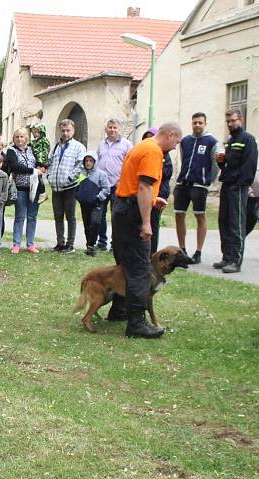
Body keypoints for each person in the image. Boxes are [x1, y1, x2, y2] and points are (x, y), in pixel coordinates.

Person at [109, 122, 181, 339]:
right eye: (176, 142)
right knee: (141, 267)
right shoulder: (153, 152)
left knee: (126, 263)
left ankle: (119, 310)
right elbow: (143, 187)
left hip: (122, 207)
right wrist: (147, 222)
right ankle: (136, 323)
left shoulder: (142, 147)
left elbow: (135, 184)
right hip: (132, 213)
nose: (175, 147)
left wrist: (152, 198)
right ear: (169, 135)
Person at [213, 109, 258, 274]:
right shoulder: (231, 141)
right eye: (228, 122)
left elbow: (249, 165)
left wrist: (240, 184)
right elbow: (228, 166)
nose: (230, 124)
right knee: (223, 222)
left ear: (241, 119)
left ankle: (235, 261)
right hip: (226, 184)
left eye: (233, 120)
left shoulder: (248, 139)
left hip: (238, 187)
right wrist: (221, 162)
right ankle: (226, 257)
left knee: (236, 224)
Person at [174, 112, 221, 263]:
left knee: (199, 216)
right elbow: (183, 159)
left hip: (199, 185)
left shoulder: (211, 141)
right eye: (195, 122)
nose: (197, 125)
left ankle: (198, 252)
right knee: (179, 215)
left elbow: (215, 165)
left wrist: (208, 181)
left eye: (200, 123)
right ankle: (182, 249)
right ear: (191, 123)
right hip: (183, 183)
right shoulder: (185, 141)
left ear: (205, 124)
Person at [46, 119, 85, 253]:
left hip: (70, 187)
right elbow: (50, 163)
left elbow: (80, 166)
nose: (65, 133)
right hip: (56, 188)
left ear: (73, 131)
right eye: (63, 130)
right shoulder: (56, 146)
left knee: (70, 216)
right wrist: (49, 177)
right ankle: (60, 243)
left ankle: (70, 244)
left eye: (68, 130)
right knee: (58, 215)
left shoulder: (79, 147)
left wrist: (69, 178)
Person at [96, 118, 133, 251]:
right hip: (102, 186)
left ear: (119, 129)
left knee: (116, 216)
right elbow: (97, 162)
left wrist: (122, 181)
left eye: (115, 128)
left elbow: (130, 165)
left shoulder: (127, 145)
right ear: (106, 129)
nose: (112, 130)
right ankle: (102, 241)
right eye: (110, 127)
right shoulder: (101, 144)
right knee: (100, 215)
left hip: (118, 186)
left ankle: (115, 243)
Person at [7, 127, 45, 254]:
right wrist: (33, 170)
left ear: (26, 138)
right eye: (17, 137)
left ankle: (30, 244)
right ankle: (16, 244)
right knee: (20, 217)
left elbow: (37, 163)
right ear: (14, 138)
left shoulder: (31, 149)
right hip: (21, 189)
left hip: (34, 188)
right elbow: (14, 166)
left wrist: (42, 167)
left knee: (32, 217)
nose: (19, 139)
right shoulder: (11, 150)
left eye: (22, 136)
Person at [142, 128, 173, 255]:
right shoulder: (143, 151)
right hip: (145, 194)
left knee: (153, 224)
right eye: (147, 137)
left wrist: (155, 167)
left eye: (152, 137)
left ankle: (151, 253)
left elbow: (168, 173)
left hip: (158, 194)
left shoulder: (164, 155)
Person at [75, 151, 109, 257]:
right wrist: (78, 195)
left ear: (95, 162)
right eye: (86, 161)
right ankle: (90, 246)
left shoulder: (101, 174)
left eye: (90, 161)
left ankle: (93, 243)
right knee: (87, 224)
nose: (88, 163)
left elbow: (106, 189)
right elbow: (77, 185)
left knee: (95, 222)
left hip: (97, 204)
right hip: (85, 204)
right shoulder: (81, 174)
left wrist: (99, 198)